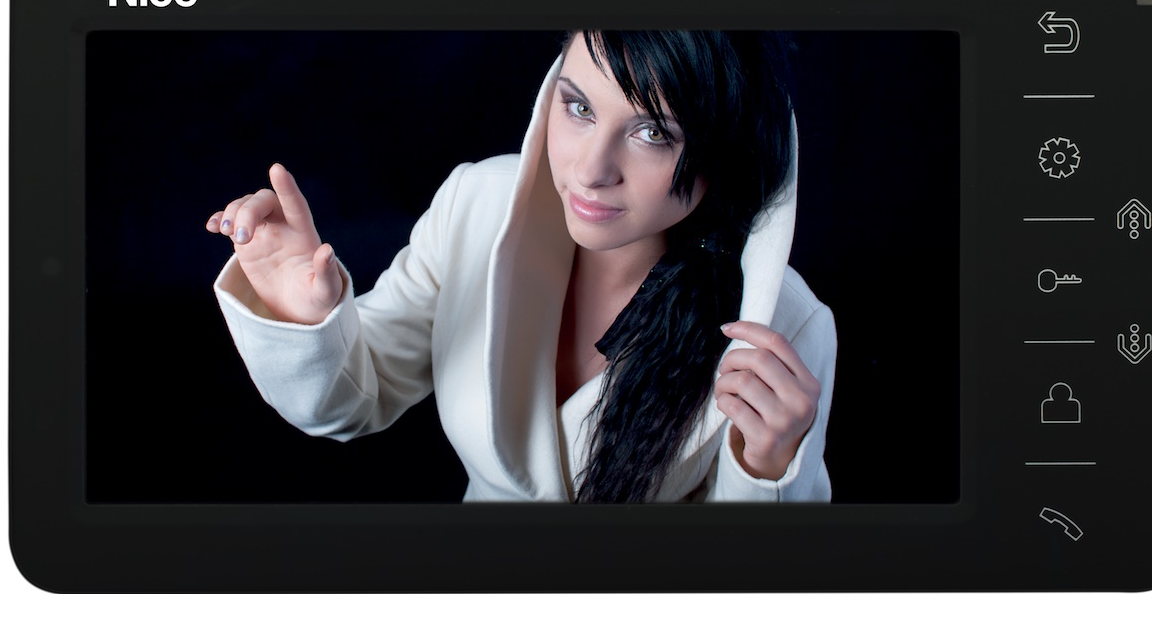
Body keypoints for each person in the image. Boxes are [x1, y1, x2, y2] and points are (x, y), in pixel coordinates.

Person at [207, 31, 836, 502]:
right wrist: (304, 319)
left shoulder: (786, 330)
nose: (591, 169)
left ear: (725, 149)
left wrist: (768, 468)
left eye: (652, 133)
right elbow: (352, 400)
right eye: (580, 108)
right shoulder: (475, 206)